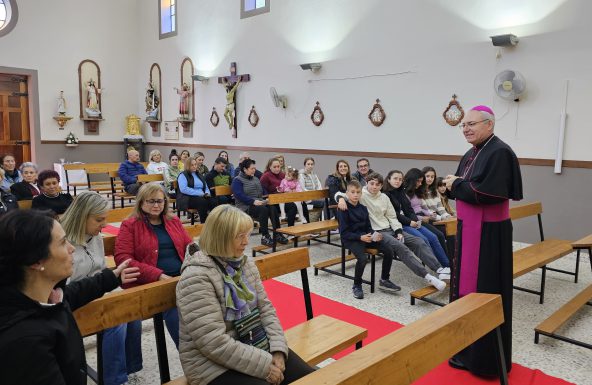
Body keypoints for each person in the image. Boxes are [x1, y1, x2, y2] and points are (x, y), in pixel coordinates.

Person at [177, 204, 315, 385]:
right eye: (239, 236)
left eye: (248, 234)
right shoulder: (196, 277)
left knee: (310, 378)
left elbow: (265, 309)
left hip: (254, 341)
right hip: (211, 365)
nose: (246, 242)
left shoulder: (243, 263)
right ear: (221, 237)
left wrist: (278, 350)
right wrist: (266, 364)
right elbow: (213, 342)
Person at [0, 210, 137, 385]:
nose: (72, 248)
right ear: (36, 261)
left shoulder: (46, 296)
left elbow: (74, 293)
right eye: (63, 242)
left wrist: (111, 277)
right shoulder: (24, 340)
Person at [443, 105, 522, 377]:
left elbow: (485, 192)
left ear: (489, 124)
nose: (466, 128)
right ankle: (466, 350)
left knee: (486, 291)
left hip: (489, 236)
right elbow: (463, 187)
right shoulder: (472, 152)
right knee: (466, 291)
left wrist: (455, 185)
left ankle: (486, 361)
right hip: (470, 230)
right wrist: (450, 187)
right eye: (463, 125)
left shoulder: (499, 152)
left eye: (471, 124)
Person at [61, 192, 143, 385]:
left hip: (96, 291)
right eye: (99, 219)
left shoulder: (95, 236)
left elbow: (100, 269)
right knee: (116, 318)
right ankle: (114, 380)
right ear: (82, 216)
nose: (104, 225)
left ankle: (130, 369)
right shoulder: (63, 242)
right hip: (74, 301)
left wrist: (113, 280)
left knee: (132, 306)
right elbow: (64, 288)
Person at [336, 173, 447, 295]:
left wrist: (398, 231)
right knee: (401, 248)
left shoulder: (384, 197)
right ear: (366, 183)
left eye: (377, 184)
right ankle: (428, 277)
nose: (374, 187)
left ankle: (439, 269)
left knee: (418, 241)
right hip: (377, 232)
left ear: (381, 185)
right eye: (371, 184)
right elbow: (343, 193)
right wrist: (340, 199)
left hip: (390, 229)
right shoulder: (361, 195)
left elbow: (392, 216)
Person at [115, 183, 193, 357]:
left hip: (181, 278)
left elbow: (190, 248)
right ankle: (192, 358)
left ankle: (212, 351)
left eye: (160, 201)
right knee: (176, 307)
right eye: (151, 201)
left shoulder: (173, 221)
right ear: (141, 202)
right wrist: (158, 275)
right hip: (151, 283)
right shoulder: (130, 225)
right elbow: (124, 259)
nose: (156, 205)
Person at [383, 170, 451, 271]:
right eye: (395, 179)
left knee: (434, 237)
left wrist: (415, 221)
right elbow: (393, 214)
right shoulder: (386, 194)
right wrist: (410, 222)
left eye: (400, 179)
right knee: (424, 239)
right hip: (400, 225)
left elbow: (409, 209)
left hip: (411, 221)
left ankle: (447, 265)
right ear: (389, 179)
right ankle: (439, 268)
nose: (398, 181)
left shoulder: (400, 191)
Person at [231, 159, 287, 247]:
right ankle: (265, 236)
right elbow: (239, 195)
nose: (254, 170)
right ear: (245, 169)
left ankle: (277, 233)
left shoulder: (256, 179)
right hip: (245, 206)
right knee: (263, 210)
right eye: (252, 169)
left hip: (259, 202)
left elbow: (263, 190)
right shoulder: (237, 180)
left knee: (272, 208)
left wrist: (267, 197)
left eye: (255, 168)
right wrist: (253, 201)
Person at [403, 168, 449, 267]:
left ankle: (448, 261)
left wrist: (429, 213)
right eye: (419, 181)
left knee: (441, 234)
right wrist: (422, 217)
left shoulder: (417, 191)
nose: (420, 184)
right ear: (412, 180)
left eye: (421, 181)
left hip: (422, 216)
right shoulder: (404, 193)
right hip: (414, 219)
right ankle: (444, 265)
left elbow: (422, 207)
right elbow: (408, 213)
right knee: (435, 236)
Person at [260, 157, 297, 225]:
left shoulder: (283, 175)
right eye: (274, 167)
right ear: (270, 167)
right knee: (273, 210)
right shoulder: (265, 176)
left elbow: (288, 185)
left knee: (293, 206)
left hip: (283, 199)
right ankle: (277, 233)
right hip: (271, 201)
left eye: (278, 166)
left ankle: (291, 229)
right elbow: (262, 191)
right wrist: (269, 198)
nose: (277, 168)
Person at [177, 157, 215, 223]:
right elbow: (184, 189)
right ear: (187, 166)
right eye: (192, 165)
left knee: (213, 201)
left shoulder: (198, 174)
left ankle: (212, 222)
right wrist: (200, 193)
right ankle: (204, 223)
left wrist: (207, 193)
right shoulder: (183, 175)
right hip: (187, 198)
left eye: (195, 164)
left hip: (202, 196)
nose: (194, 166)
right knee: (202, 202)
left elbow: (205, 186)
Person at [298, 157, 324, 222]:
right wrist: (313, 194)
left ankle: (326, 221)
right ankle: (327, 221)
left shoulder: (314, 175)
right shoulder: (301, 175)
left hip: (316, 198)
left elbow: (319, 187)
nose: (310, 166)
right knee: (326, 203)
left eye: (312, 164)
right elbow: (303, 189)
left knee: (327, 201)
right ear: (305, 165)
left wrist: (317, 194)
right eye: (308, 164)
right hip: (307, 200)